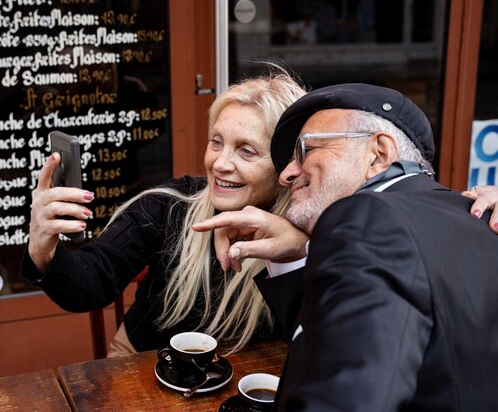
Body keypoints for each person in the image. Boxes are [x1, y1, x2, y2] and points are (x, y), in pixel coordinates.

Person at [193, 83, 498, 411]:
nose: (287, 174)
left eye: (305, 150)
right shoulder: (478, 219)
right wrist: (299, 253)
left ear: (379, 153)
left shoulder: (368, 215)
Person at [21, 70, 309, 356]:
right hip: (142, 366)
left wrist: (299, 251)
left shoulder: (312, 227)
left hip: (247, 382)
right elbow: (88, 285)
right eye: (216, 142)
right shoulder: (169, 205)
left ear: (287, 164)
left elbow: (325, 341)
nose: (220, 163)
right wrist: (42, 249)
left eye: (246, 151)